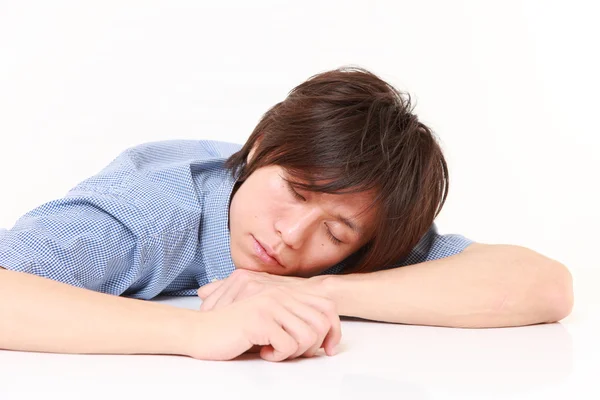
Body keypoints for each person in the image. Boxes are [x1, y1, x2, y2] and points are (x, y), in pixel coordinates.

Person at [0, 66, 573, 362]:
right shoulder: (150, 208)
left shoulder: (362, 221)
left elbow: (545, 287)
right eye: (296, 192)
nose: (293, 235)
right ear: (260, 149)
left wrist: (324, 293)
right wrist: (197, 332)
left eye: (335, 231)